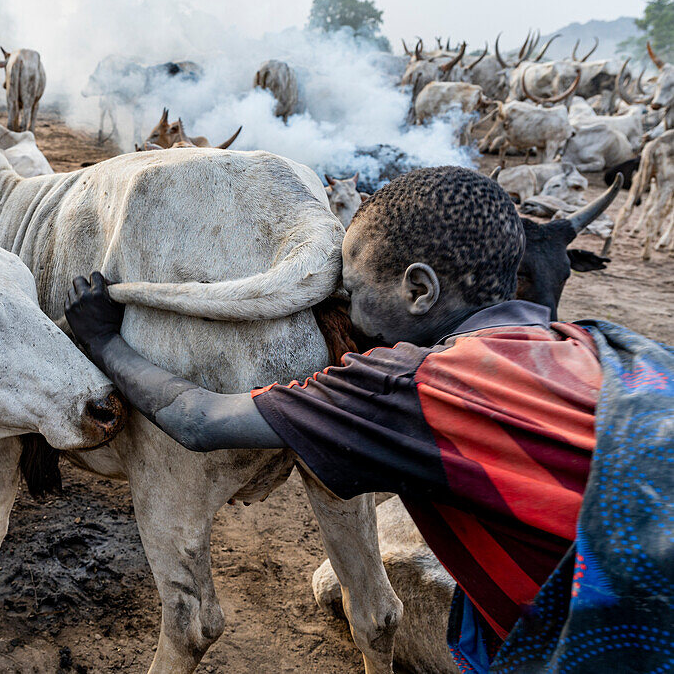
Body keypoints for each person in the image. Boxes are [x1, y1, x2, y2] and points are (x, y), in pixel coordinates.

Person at [65, 166, 673, 673]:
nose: (341, 309)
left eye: (349, 291)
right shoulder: (605, 346)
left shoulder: (414, 389)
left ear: (419, 290)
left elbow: (196, 419)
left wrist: (102, 339)